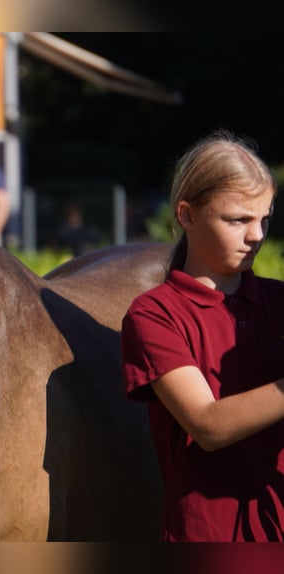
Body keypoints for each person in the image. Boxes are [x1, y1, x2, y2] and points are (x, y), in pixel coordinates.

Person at [121, 130, 284, 541]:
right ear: (187, 215)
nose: (257, 235)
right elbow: (207, 426)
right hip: (209, 537)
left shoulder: (279, 301)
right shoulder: (154, 314)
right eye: (238, 220)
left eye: (264, 219)